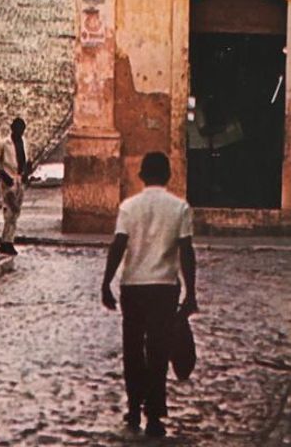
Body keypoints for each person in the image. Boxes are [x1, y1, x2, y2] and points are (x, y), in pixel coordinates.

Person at [101, 151, 198, 439]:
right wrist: (191, 294)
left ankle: (133, 408)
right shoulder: (179, 208)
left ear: (142, 176)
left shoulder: (129, 207)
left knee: (132, 350)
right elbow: (187, 253)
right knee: (158, 352)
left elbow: (118, 245)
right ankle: (154, 414)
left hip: (133, 288)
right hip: (165, 289)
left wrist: (106, 282)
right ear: (168, 176)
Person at [0, 117, 30, 256]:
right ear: (12, 129)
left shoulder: (24, 142)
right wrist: (3, 175)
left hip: (19, 179)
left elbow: (27, 161)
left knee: (16, 212)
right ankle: (7, 242)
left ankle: (7, 241)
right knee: (10, 210)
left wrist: (26, 175)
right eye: (17, 130)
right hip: (8, 179)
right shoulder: (3, 143)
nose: (20, 133)